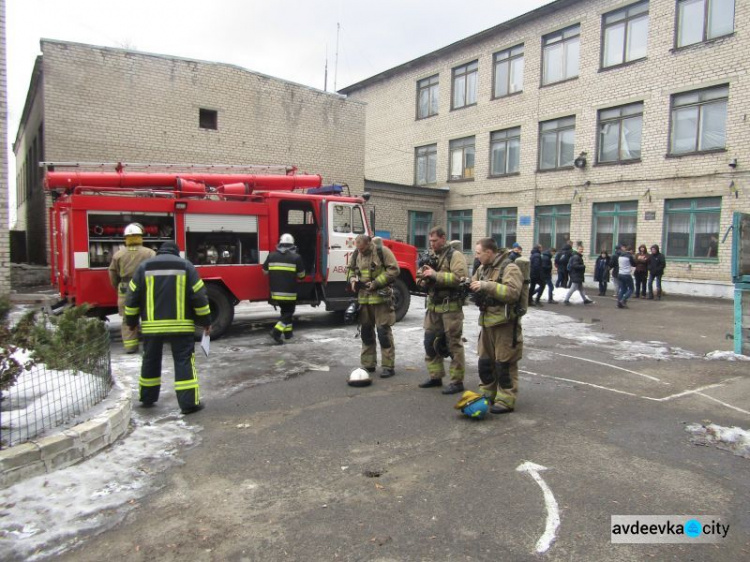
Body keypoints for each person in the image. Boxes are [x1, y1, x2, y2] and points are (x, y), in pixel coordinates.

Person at [124, 241, 211, 414]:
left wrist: (131, 322)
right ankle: (188, 404)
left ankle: (147, 398)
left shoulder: (143, 267)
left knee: (150, 360)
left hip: (151, 327)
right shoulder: (186, 266)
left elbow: (132, 297)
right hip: (181, 326)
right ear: (176, 253)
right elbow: (199, 297)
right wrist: (206, 321)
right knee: (184, 361)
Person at [469, 238, 524, 414]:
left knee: (504, 363)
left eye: (478, 253)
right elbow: (473, 283)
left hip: (504, 324)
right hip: (486, 322)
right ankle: (487, 394)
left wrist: (487, 285)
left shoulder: (510, 268)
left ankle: (506, 399)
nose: (476, 256)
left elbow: (512, 293)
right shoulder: (482, 269)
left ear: (489, 252)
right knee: (485, 362)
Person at [417, 226, 468, 394]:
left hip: (450, 307)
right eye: (430, 241)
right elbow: (420, 277)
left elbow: (459, 278)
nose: (432, 244)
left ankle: (456, 381)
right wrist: (423, 280)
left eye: (435, 241)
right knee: (429, 342)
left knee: (453, 344)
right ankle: (435, 376)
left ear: (443, 238)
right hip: (433, 307)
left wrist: (435, 276)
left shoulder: (455, 255)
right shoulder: (430, 256)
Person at [346, 234, 400, 378]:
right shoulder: (357, 253)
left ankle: (388, 366)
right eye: (359, 249)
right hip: (364, 300)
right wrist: (352, 280)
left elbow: (394, 270)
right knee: (366, 333)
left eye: (363, 248)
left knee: (383, 333)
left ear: (369, 243)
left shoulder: (383, 252)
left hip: (381, 300)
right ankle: (368, 365)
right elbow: (350, 269)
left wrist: (376, 283)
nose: (361, 251)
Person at [108, 223, 156, 353]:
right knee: (147, 318)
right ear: (140, 237)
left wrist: (118, 286)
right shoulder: (150, 253)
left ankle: (130, 347)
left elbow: (113, 274)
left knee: (127, 319)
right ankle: (150, 347)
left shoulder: (118, 255)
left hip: (125, 289)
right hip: (145, 288)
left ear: (126, 238)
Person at [263, 233, 306, 344]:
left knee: (284, 311)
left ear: (280, 244)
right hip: (289, 292)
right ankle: (276, 331)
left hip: (275, 292)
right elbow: (302, 276)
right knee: (289, 313)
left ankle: (288, 333)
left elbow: (264, 271)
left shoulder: (271, 256)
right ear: (292, 245)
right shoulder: (296, 257)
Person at [616, 244, 636, 309]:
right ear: (631, 251)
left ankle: (619, 302)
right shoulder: (629, 256)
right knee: (631, 288)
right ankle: (623, 300)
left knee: (622, 289)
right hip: (626, 274)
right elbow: (634, 264)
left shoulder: (620, 255)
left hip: (620, 274)